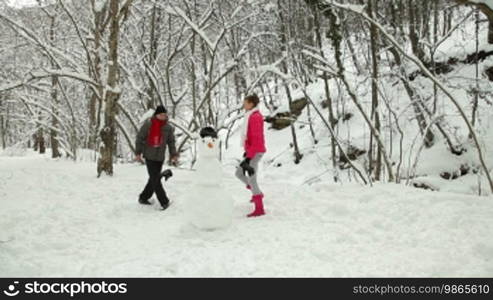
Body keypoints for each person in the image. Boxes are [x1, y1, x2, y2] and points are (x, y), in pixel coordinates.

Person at [135, 105, 179, 211]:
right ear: (156, 115)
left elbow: (171, 142)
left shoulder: (168, 128)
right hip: (149, 155)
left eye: (165, 115)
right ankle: (164, 202)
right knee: (155, 179)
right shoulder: (148, 124)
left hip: (160, 157)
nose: (163, 116)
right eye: (161, 115)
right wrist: (138, 152)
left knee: (153, 179)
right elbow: (140, 138)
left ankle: (143, 197)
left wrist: (173, 155)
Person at [236, 94, 267, 217]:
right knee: (239, 173)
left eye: (245, 102)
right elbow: (250, 137)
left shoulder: (255, 117)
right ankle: (257, 192)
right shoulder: (250, 115)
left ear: (252, 104)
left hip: (256, 151)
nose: (243, 105)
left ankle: (259, 207)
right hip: (251, 151)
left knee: (252, 178)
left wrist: (249, 157)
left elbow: (257, 138)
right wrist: (247, 151)